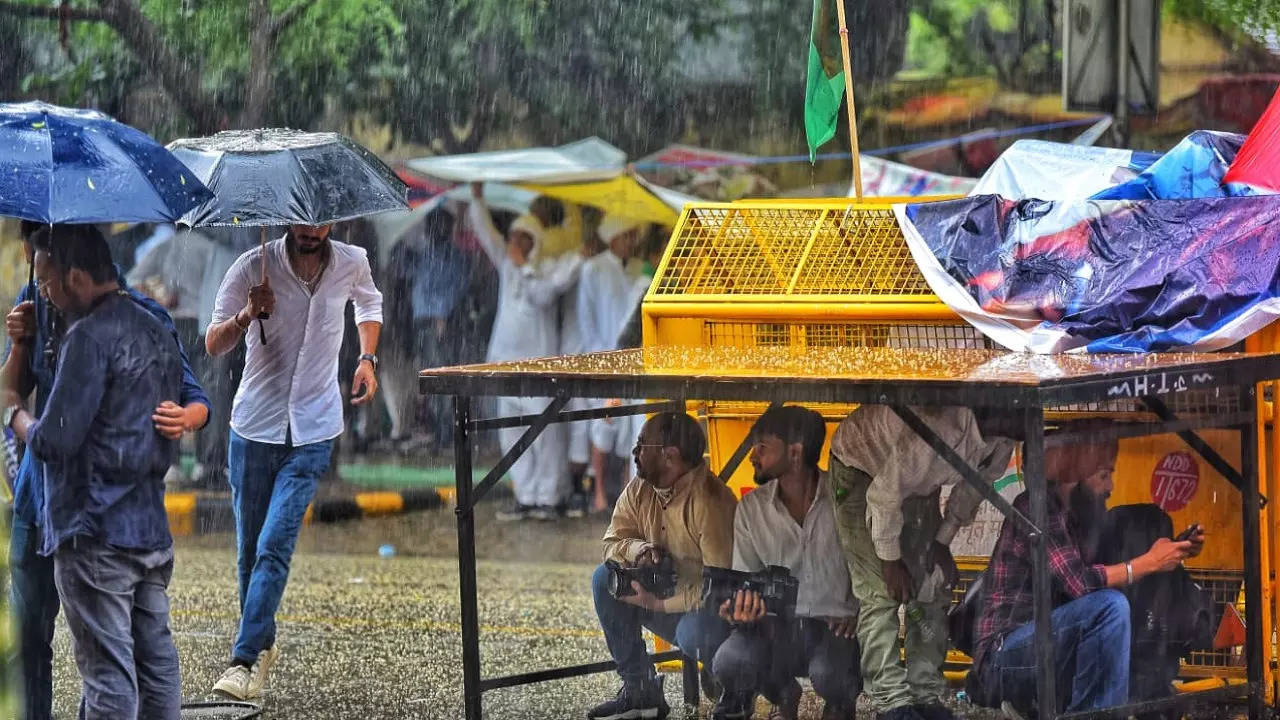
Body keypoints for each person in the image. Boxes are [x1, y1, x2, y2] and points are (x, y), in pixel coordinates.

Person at [3, 222, 210, 720]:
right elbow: (15, 381)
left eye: (49, 279)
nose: (44, 291)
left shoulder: (93, 334)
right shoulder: (142, 326)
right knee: (152, 666)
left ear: (75, 276)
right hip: (140, 527)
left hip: (89, 525)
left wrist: (16, 415)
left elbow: (54, 438)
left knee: (109, 678)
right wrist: (22, 344)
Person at [205, 222, 383, 699]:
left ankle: (242, 662)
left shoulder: (352, 261)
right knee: (249, 551)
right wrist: (246, 314)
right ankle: (261, 645)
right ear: (286, 219)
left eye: (320, 220)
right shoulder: (250, 267)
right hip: (254, 429)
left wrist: (368, 358)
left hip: (314, 429)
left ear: (331, 221)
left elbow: (369, 302)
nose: (311, 229)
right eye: (302, 220)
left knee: (274, 543)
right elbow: (213, 341)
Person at [968, 422, 1202, 715]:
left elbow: (1109, 573)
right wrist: (1149, 562)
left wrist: (1172, 552)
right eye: (1104, 475)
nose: (1110, 487)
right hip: (1003, 658)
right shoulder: (1035, 508)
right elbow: (1081, 585)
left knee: (1120, 606)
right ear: (1075, 474)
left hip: (1048, 647)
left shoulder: (1078, 520)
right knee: (1110, 607)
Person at [827, 405, 1015, 720]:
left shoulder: (1005, 439)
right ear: (1008, 411)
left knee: (933, 583)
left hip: (911, 482)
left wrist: (941, 543)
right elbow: (883, 495)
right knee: (880, 593)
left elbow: (971, 491)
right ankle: (892, 704)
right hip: (861, 469)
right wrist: (889, 561)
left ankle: (924, 693)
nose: (1033, 428)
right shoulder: (940, 426)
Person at [713, 405, 861, 720]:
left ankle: (840, 704)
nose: (752, 455)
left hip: (835, 631)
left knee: (831, 675)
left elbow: (874, 571)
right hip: (775, 628)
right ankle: (782, 692)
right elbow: (745, 582)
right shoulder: (751, 509)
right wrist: (740, 611)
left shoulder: (846, 500)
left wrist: (858, 609)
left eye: (762, 447)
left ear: (795, 453)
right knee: (729, 662)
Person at [590, 411, 738, 720]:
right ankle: (639, 690)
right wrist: (639, 550)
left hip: (711, 610)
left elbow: (721, 587)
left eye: (643, 444)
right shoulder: (641, 487)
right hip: (667, 596)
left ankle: (733, 681)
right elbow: (611, 544)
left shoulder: (709, 501)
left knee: (695, 632)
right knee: (606, 579)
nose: (635, 452)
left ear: (669, 456)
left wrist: (658, 604)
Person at [469, 183, 583, 521]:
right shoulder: (507, 266)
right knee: (512, 432)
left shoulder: (548, 268)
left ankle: (550, 497)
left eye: (522, 239)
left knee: (546, 433)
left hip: (538, 365)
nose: (514, 244)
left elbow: (544, 295)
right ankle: (526, 494)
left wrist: (524, 266)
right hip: (505, 364)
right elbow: (485, 232)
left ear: (535, 243)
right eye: (514, 237)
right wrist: (477, 198)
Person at [578, 215, 646, 513]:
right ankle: (599, 497)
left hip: (632, 362)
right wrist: (600, 360)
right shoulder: (593, 269)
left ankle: (624, 496)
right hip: (604, 359)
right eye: (626, 235)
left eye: (634, 235)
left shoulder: (637, 272)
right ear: (613, 237)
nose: (631, 241)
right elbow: (587, 319)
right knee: (602, 427)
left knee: (630, 432)